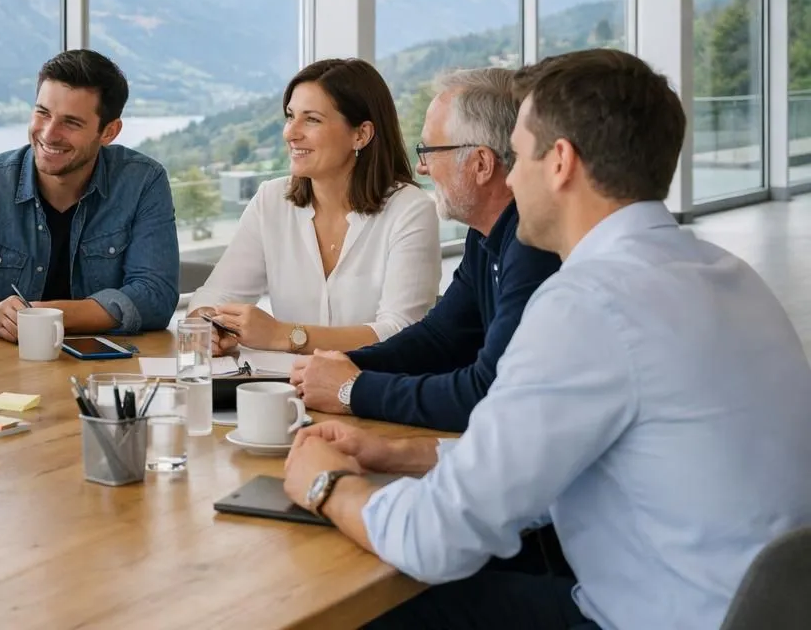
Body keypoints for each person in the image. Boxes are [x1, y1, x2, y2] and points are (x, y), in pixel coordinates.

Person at [284, 49, 811, 630]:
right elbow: (543, 449)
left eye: (520, 152)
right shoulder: (727, 275)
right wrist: (397, 452)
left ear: (558, 162)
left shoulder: (590, 303)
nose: (509, 173)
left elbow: (435, 539)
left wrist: (325, 483)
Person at [292, 68, 561, 431]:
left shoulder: (534, 245)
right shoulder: (485, 236)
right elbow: (440, 338)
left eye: (429, 151)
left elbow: (488, 391)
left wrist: (351, 389)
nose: (421, 168)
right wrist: (339, 365)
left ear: (481, 164)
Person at [186, 58, 438, 356]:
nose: (290, 133)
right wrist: (209, 325)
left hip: (371, 391)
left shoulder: (410, 210)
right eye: (290, 116)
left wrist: (285, 335)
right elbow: (217, 295)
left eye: (312, 119)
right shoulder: (271, 200)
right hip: (288, 391)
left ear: (361, 134)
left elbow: (400, 331)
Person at [0, 49, 178, 339]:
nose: (49, 134)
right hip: (2, 368)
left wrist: (44, 318)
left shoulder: (143, 181)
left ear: (109, 132)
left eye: (71, 123)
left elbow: (155, 296)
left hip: (108, 369)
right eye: (43, 113)